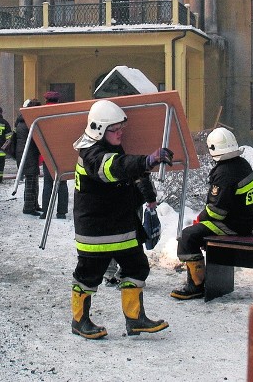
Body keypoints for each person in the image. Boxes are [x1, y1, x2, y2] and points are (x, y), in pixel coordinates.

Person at [70, 99, 172, 339]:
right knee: (88, 276)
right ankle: (79, 322)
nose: (120, 133)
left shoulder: (112, 148)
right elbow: (114, 168)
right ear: (99, 129)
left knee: (137, 268)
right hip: (96, 230)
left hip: (121, 226)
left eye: (121, 129)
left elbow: (131, 172)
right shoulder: (91, 154)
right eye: (114, 130)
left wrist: (148, 196)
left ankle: (136, 320)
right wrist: (146, 160)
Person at [171, 127, 253, 300]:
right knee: (195, 233)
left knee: (187, 236)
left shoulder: (224, 173)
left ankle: (196, 285)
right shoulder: (241, 164)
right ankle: (198, 281)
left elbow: (216, 212)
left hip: (232, 225)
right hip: (244, 221)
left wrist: (199, 221)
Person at [40, 90, 69, 219]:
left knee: (48, 183)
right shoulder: (62, 113)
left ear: (46, 100)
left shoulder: (39, 114)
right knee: (62, 182)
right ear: (58, 101)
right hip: (61, 153)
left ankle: (46, 212)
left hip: (46, 154)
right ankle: (61, 212)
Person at [15, 98, 43, 215]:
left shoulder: (23, 121)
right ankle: (28, 208)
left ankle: (34, 205)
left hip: (27, 154)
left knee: (33, 181)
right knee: (30, 182)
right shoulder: (28, 123)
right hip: (27, 154)